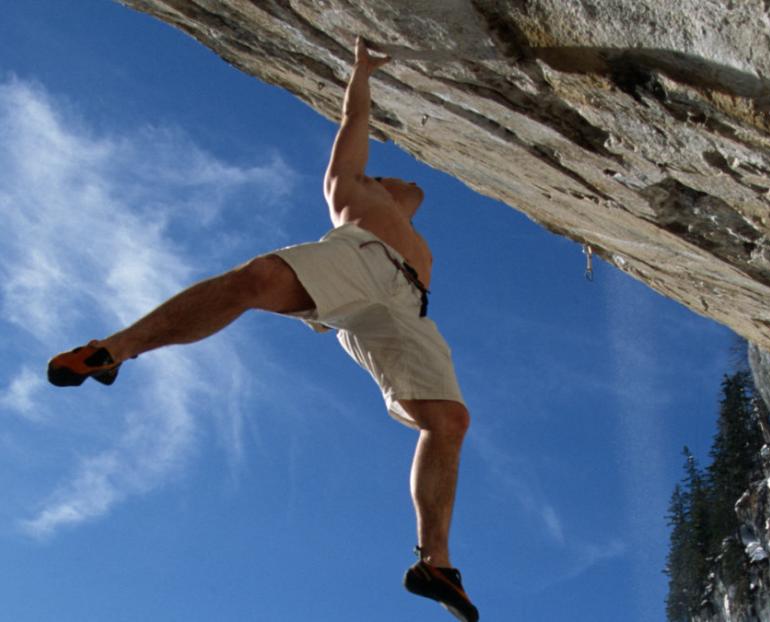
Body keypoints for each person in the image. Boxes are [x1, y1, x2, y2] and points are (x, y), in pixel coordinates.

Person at [47, 36, 479, 622]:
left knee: (449, 420)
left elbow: (418, 192)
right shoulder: (348, 192)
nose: (408, 186)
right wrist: (362, 72)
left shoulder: (421, 243)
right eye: (394, 180)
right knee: (256, 280)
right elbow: (355, 118)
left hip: (407, 304)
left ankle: (436, 561)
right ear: (376, 183)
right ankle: (114, 349)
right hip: (356, 260)